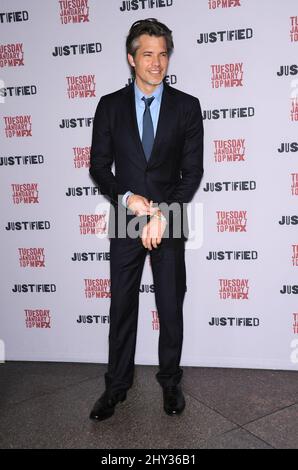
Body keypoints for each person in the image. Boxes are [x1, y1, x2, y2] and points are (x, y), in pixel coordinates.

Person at [89, 18, 204, 421]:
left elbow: (192, 173)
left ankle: (170, 382)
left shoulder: (188, 106)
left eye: (163, 54)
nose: (156, 63)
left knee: (170, 305)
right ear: (131, 59)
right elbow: (99, 167)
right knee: (122, 306)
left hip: (169, 218)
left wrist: (162, 215)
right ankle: (116, 387)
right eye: (148, 54)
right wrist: (127, 198)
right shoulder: (109, 106)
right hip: (125, 218)